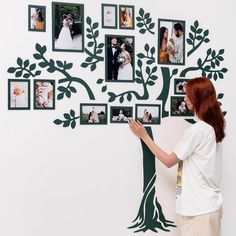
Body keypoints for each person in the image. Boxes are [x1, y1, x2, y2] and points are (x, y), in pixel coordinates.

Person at [129, 77, 225, 236]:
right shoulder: (214, 126)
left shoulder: (198, 130)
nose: (185, 99)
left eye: (188, 95)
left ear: (198, 98)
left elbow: (168, 161)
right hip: (208, 207)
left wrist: (144, 136)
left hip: (198, 211)